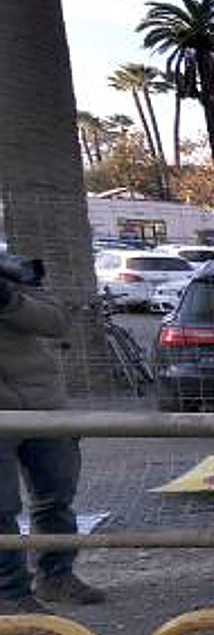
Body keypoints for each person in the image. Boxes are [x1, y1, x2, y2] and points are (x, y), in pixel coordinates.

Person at [0, 255, 104, 612]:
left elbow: (56, 320)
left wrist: (9, 300)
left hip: (42, 406)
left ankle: (56, 576)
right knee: (0, 509)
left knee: (55, 496)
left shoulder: (12, 275)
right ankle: (10, 594)